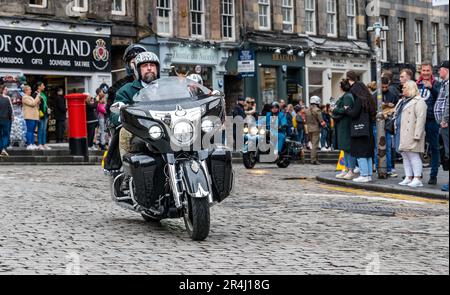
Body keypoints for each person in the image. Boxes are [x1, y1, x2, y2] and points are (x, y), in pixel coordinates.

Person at [111, 51, 160, 158]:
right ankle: (127, 169)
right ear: (138, 70)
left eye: (152, 65)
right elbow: (114, 113)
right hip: (140, 130)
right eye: (144, 66)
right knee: (124, 132)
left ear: (157, 68)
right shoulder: (127, 90)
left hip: (165, 127)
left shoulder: (166, 88)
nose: (149, 68)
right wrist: (123, 117)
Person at [395, 81, 427, 188]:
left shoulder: (419, 101)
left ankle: (417, 178)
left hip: (412, 133)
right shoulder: (402, 101)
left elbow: (421, 119)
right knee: (405, 155)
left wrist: (417, 135)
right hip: (402, 131)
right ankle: (408, 177)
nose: (402, 89)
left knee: (413, 155)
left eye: (404, 88)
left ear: (411, 88)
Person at [345, 73, 376, 183]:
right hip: (367, 129)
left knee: (360, 152)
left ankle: (363, 174)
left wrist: (347, 109)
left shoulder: (359, 100)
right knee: (367, 153)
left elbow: (354, 113)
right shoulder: (369, 100)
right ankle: (368, 175)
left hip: (359, 129)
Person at [106, 44, 147, 120]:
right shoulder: (119, 88)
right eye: (133, 62)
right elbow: (113, 112)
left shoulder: (157, 84)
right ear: (128, 65)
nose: (137, 64)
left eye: (141, 61)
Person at [417, 61, 442, 185]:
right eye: (423, 70)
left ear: (431, 71)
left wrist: (431, 88)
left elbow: (440, 98)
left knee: (434, 148)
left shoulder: (437, 84)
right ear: (420, 71)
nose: (425, 73)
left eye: (428, 70)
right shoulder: (416, 85)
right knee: (416, 148)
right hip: (418, 121)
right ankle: (416, 174)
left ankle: (433, 175)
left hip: (432, 120)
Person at [333, 79, 357, 180]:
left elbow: (346, 110)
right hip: (342, 124)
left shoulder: (347, 96)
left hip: (346, 125)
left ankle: (351, 170)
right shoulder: (346, 95)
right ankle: (346, 169)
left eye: (340, 85)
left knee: (348, 148)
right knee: (344, 148)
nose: (339, 87)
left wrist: (335, 109)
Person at [434, 61, 449, 192]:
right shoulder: (445, 84)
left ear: (446, 70)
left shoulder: (448, 84)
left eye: (441, 69)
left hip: (447, 124)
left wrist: (444, 119)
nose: (439, 72)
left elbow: (448, 102)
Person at [381, 76, 400, 177]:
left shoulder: (392, 94)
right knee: (378, 147)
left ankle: (389, 168)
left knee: (388, 147)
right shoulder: (376, 94)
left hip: (388, 123)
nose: (384, 89)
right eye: (382, 87)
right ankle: (379, 167)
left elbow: (398, 106)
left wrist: (392, 106)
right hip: (378, 123)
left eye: (386, 87)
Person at [305, 96, 326, 165]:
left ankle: (314, 158)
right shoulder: (317, 110)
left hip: (309, 129)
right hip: (315, 129)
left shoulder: (307, 110)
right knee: (315, 145)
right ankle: (313, 160)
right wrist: (325, 125)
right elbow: (321, 121)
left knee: (313, 144)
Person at [22, 85, 41, 150]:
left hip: (34, 117)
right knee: (29, 131)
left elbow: (35, 105)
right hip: (29, 116)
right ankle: (29, 144)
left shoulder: (30, 97)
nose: (31, 91)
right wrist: (37, 97)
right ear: (26, 91)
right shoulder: (25, 97)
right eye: (29, 89)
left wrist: (38, 101)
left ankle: (32, 143)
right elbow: (32, 104)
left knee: (33, 131)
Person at [35, 82, 51, 151]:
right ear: (39, 87)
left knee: (44, 129)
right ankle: (40, 144)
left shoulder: (44, 94)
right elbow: (35, 104)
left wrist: (48, 113)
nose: (44, 86)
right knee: (40, 129)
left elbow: (46, 103)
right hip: (40, 114)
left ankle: (44, 143)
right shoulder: (35, 94)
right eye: (42, 85)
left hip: (45, 114)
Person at [0, 85, 13, 157]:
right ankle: (3, 149)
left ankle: (1, 149)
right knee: (5, 135)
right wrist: (10, 118)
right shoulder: (6, 99)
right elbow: (10, 110)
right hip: (5, 119)